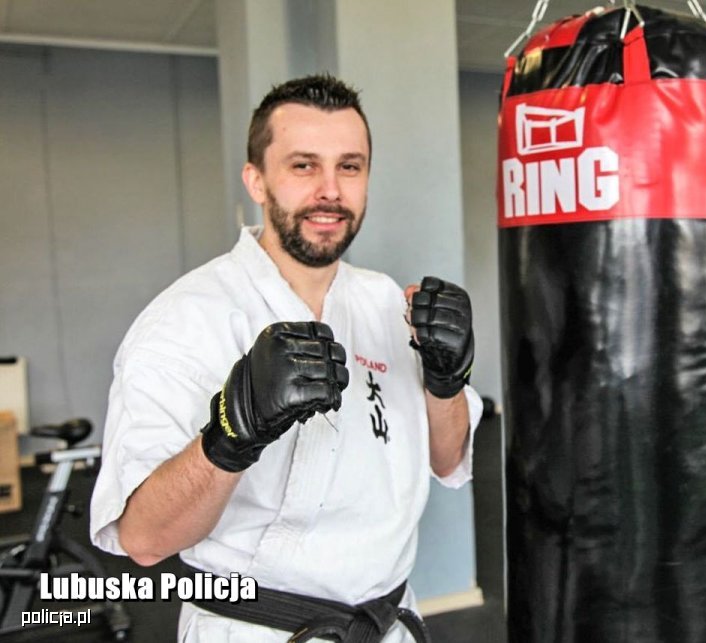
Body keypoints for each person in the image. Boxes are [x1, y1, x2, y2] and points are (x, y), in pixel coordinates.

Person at [90, 74, 482, 642]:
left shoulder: (385, 303)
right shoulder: (186, 320)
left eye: (350, 166)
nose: (330, 190)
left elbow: (447, 461)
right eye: (303, 166)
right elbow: (144, 540)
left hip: (388, 622)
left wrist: (446, 382)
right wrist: (231, 434)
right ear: (256, 180)